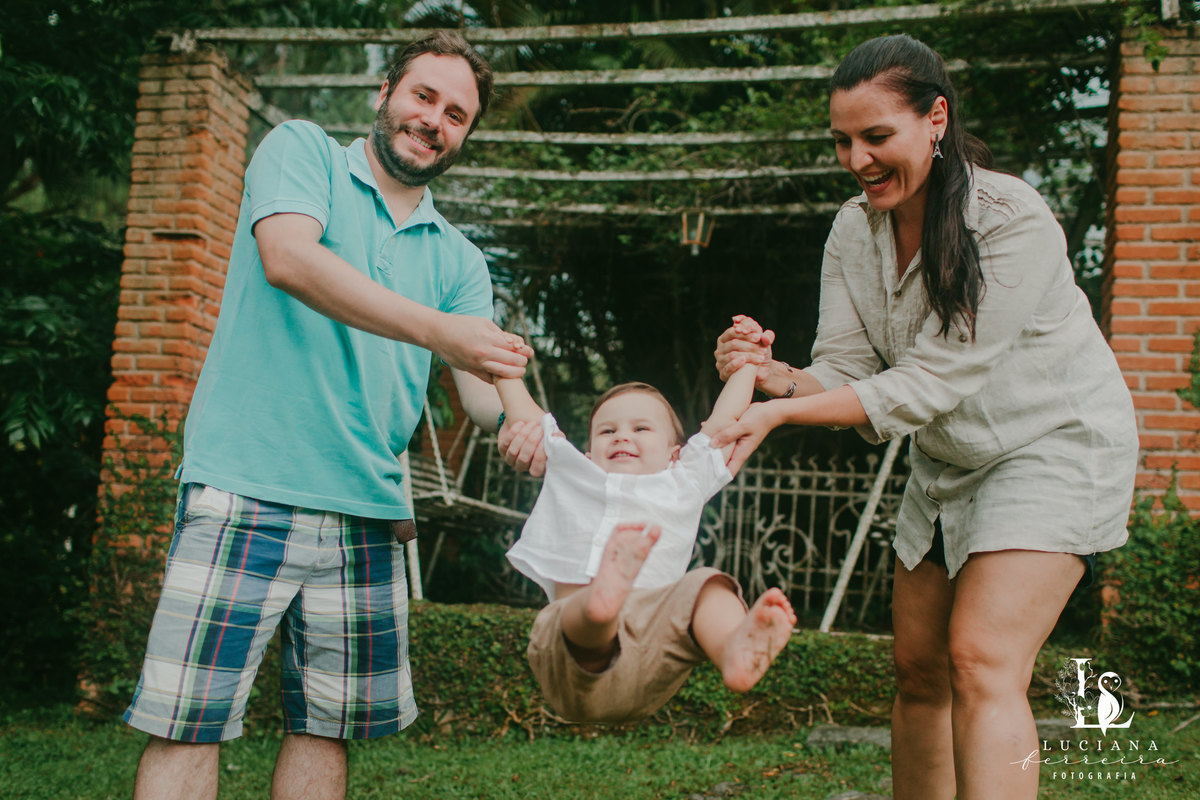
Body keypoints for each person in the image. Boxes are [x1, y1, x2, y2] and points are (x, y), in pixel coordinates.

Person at [710, 34, 1137, 800]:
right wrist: (770, 375)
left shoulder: (1013, 220)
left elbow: (931, 381)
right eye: (842, 141)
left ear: (935, 118)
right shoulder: (853, 229)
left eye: (876, 137)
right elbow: (845, 370)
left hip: (1053, 444)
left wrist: (777, 421)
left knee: (980, 657)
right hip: (948, 459)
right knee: (918, 667)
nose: (856, 159)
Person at [123, 32, 535, 800]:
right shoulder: (302, 150)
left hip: (368, 512)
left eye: (456, 114)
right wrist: (440, 329)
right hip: (248, 484)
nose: (434, 121)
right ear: (385, 93)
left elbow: (481, 389)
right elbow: (289, 258)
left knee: (327, 728)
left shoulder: (459, 260)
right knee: (188, 718)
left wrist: (522, 423)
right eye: (423, 96)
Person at [494, 367, 796, 723]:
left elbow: (722, 424)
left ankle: (732, 647)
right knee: (575, 610)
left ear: (674, 454)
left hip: (654, 644)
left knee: (704, 585)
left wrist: (748, 364)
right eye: (607, 431)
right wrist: (502, 368)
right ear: (588, 454)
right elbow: (525, 417)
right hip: (570, 652)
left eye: (640, 428)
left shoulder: (684, 479)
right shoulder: (573, 469)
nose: (621, 437)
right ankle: (601, 606)